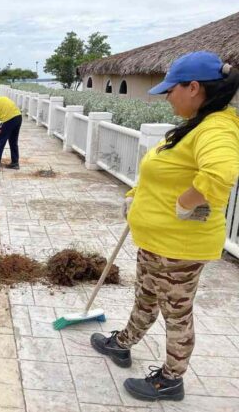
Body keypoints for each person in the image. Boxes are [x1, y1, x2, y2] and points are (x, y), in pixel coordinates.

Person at [90, 51, 239, 401]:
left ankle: (172, 379)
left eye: (171, 90)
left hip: (179, 247)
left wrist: (186, 203)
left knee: (176, 313)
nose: (167, 96)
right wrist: (136, 197)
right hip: (156, 241)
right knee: (145, 297)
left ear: (193, 87)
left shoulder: (217, 127)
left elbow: (220, 174)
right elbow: (165, 172)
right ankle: (123, 343)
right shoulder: (195, 124)